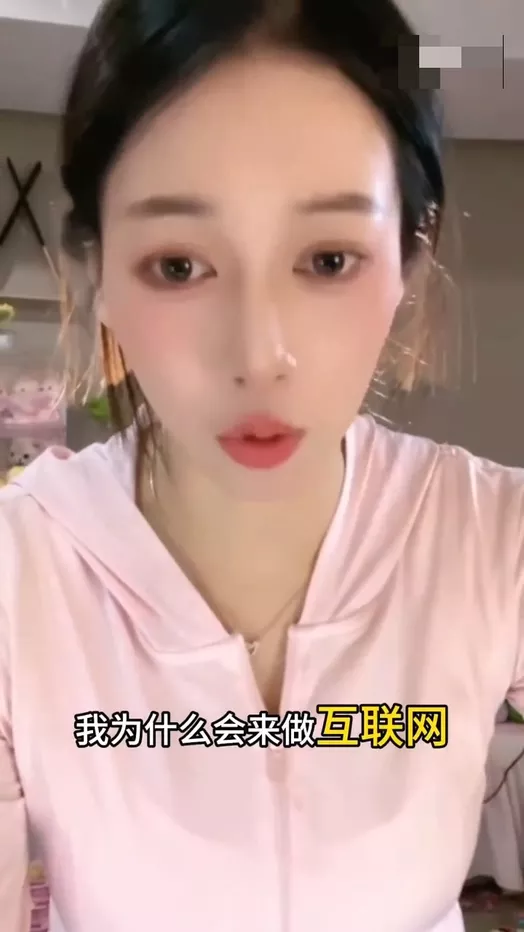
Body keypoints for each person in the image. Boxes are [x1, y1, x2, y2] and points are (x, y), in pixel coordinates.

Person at [0, 1, 521, 931]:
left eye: (328, 259)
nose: (259, 354)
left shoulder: (496, 541)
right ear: (95, 274)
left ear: (410, 263)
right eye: (178, 266)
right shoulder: (18, 577)